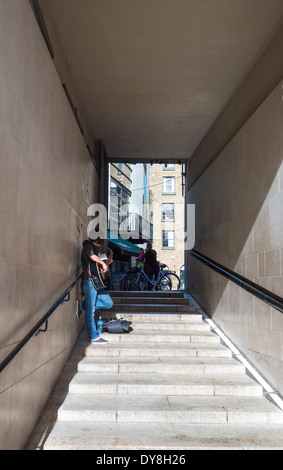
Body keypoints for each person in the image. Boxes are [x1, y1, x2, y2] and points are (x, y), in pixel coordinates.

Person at [81, 235, 113, 344]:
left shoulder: (95, 249)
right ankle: (94, 336)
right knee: (91, 311)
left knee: (108, 303)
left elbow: (94, 267)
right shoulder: (88, 246)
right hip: (89, 282)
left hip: (96, 283)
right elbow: (91, 256)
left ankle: (83, 305)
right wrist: (103, 262)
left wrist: (106, 263)